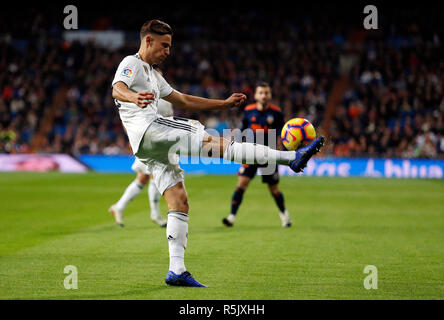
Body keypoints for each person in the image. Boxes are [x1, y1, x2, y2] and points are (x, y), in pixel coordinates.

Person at [111, 19, 324, 287]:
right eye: (164, 45)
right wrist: (133, 97)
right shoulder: (132, 63)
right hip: (151, 131)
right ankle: (290, 158)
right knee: (221, 145)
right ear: (148, 40)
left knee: (179, 201)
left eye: (170, 46)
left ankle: (176, 270)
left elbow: (185, 100)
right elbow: (117, 87)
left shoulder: (155, 76)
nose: (168, 51)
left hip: (150, 147)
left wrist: (223, 104)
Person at [109, 67, 172, 228]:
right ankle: (155, 214)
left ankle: (118, 207)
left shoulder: (165, 97)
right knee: (154, 176)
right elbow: (129, 118)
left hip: (161, 141)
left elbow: (170, 120)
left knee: (143, 178)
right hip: (147, 142)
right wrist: (133, 138)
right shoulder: (143, 94)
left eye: (161, 76)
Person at [222, 82, 291, 228]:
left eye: (266, 93)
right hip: (250, 154)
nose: (264, 96)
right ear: (256, 95)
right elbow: (243, 130)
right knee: (241, 184)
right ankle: (231, 217)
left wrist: (284, 150)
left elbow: (284, 135)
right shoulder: (248, 111)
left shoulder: (277, 113)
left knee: (274, 190)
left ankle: (285, 216)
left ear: (270, 95)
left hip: (269, 156)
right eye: (261, 93)